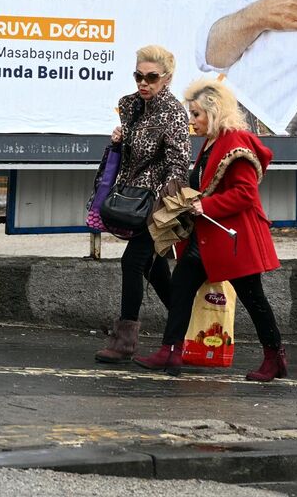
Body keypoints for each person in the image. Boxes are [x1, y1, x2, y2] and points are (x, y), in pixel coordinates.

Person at [134, 77, 287, 381]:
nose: (192, 121)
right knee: (181, 286)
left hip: (234, 239)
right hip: (210, 238)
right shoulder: (214, 141)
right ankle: (171, 350)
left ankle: (275, 357)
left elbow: (246, 194)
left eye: (196, 114)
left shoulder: (235, 142)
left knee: (253, 299)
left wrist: (207, 206)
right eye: (191, 114)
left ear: (214, 111)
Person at [93, 45, 191, 364]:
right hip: (131, 200)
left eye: (151, 77)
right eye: (139, 75)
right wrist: (119, 142)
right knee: (156, 271)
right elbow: (128, 158)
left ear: (167, 78)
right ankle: (187, 331)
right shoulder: (131, 106)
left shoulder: (173, 112)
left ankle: (124, 341)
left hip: (157, 204)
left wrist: (167, 208)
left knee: (132, 262)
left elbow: (179, 164)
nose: (143, 82)